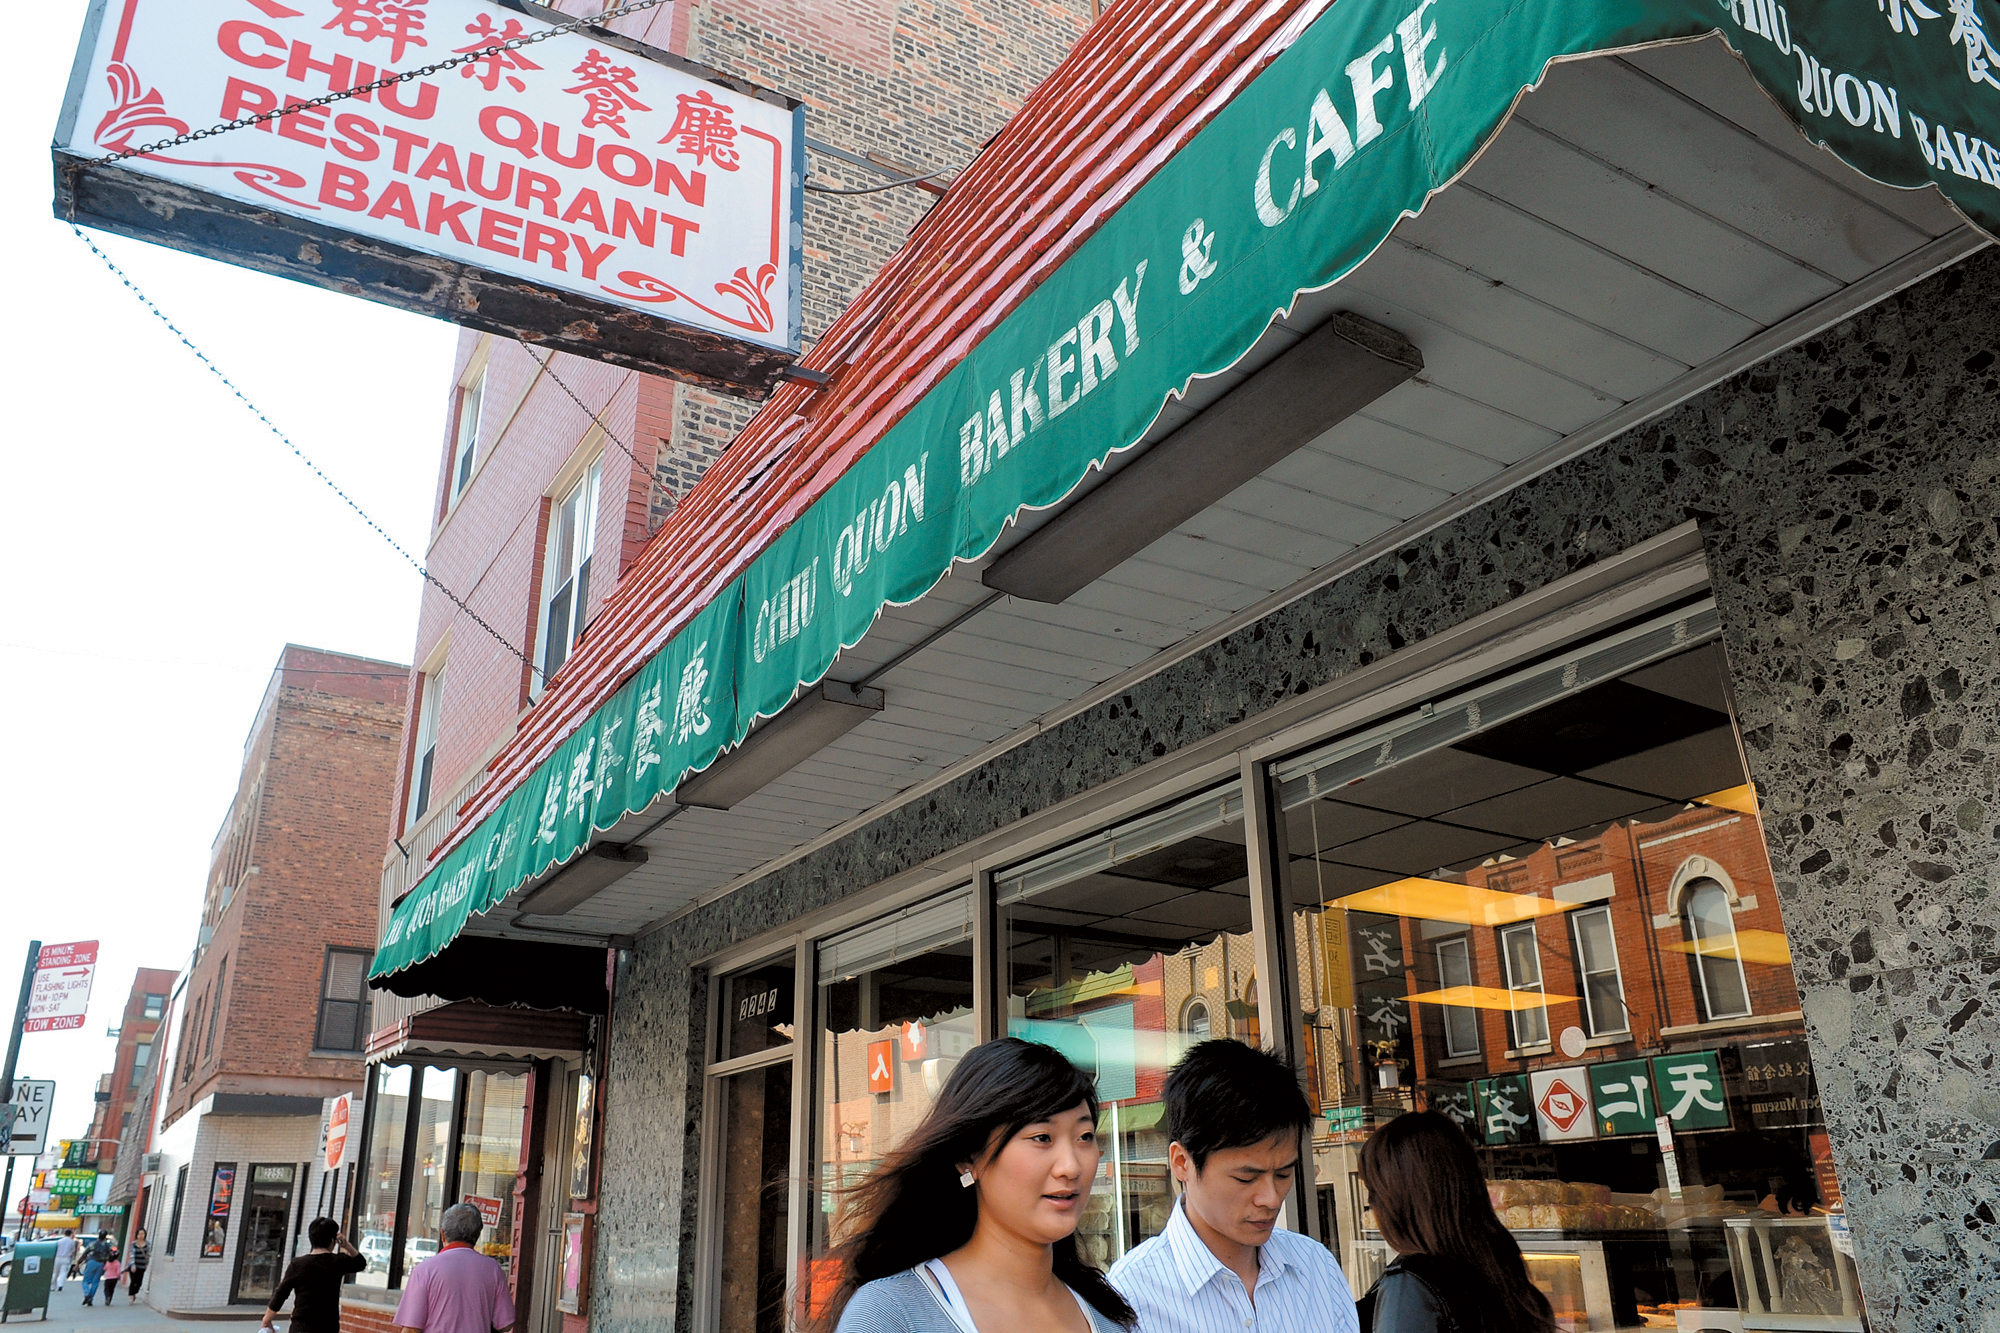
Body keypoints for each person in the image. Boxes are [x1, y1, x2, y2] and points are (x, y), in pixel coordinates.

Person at [818, 1037, 1135, 1332]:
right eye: (1042, 1137)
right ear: (969, 1157)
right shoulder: (891, 1314)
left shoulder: (1107, 1320)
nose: (1071, 1167)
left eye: (1085, 1137)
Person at [1109, 1041, 1357, 1333]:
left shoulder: (1316, 1268)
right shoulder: (1130, 1296)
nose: (1271, 1199)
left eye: (1283, 1174)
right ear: (1182, 1162)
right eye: (1246, 1178)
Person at [1354, 1111, 1556, 1333]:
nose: (1372, 1204)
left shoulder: (1411, 1285)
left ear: (1399, 1201)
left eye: (1374, 1191)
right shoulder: (1499, 1263)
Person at [391, 1204, 514, 1333]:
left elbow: (411, 1329)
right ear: (477, 1235)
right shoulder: (493, 1269)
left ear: (442, 1235)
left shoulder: (424, 1271)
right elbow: (505, 1325)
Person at [264, 1219, 366, 1333]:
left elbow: (281, 1293)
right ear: (333, 1240)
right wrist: (346, 1245)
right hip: (328, 1327)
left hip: (301, 1326)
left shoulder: (298, 1264)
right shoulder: (338, 1261)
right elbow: (361, 1263)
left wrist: (267, 1319)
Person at [80, 1231, 113, 1306]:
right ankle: (90, 1299)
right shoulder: (108, 1245)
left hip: (91, 1262)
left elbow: (85, 1253)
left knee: (85, 1281)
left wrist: (79, 1262)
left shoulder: (93, 1244)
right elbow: (112, 1254)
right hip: (101, 1264)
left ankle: (87, 1294)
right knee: (95, 1282)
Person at [124, 1230, 151, 1303]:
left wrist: (147, 1263)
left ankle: (134, 1293)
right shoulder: (133, 1244)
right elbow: (132, 1255)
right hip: (134, 1266)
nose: (141, 1235)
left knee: (139, 1283)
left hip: (142, 1266)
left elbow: (148, 1255)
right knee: (133, 1281)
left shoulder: (147, 1244)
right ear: (137, 1235)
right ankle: (131, 1296)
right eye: (139, 1234)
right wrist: (133, 1265)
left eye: (142, 1234)